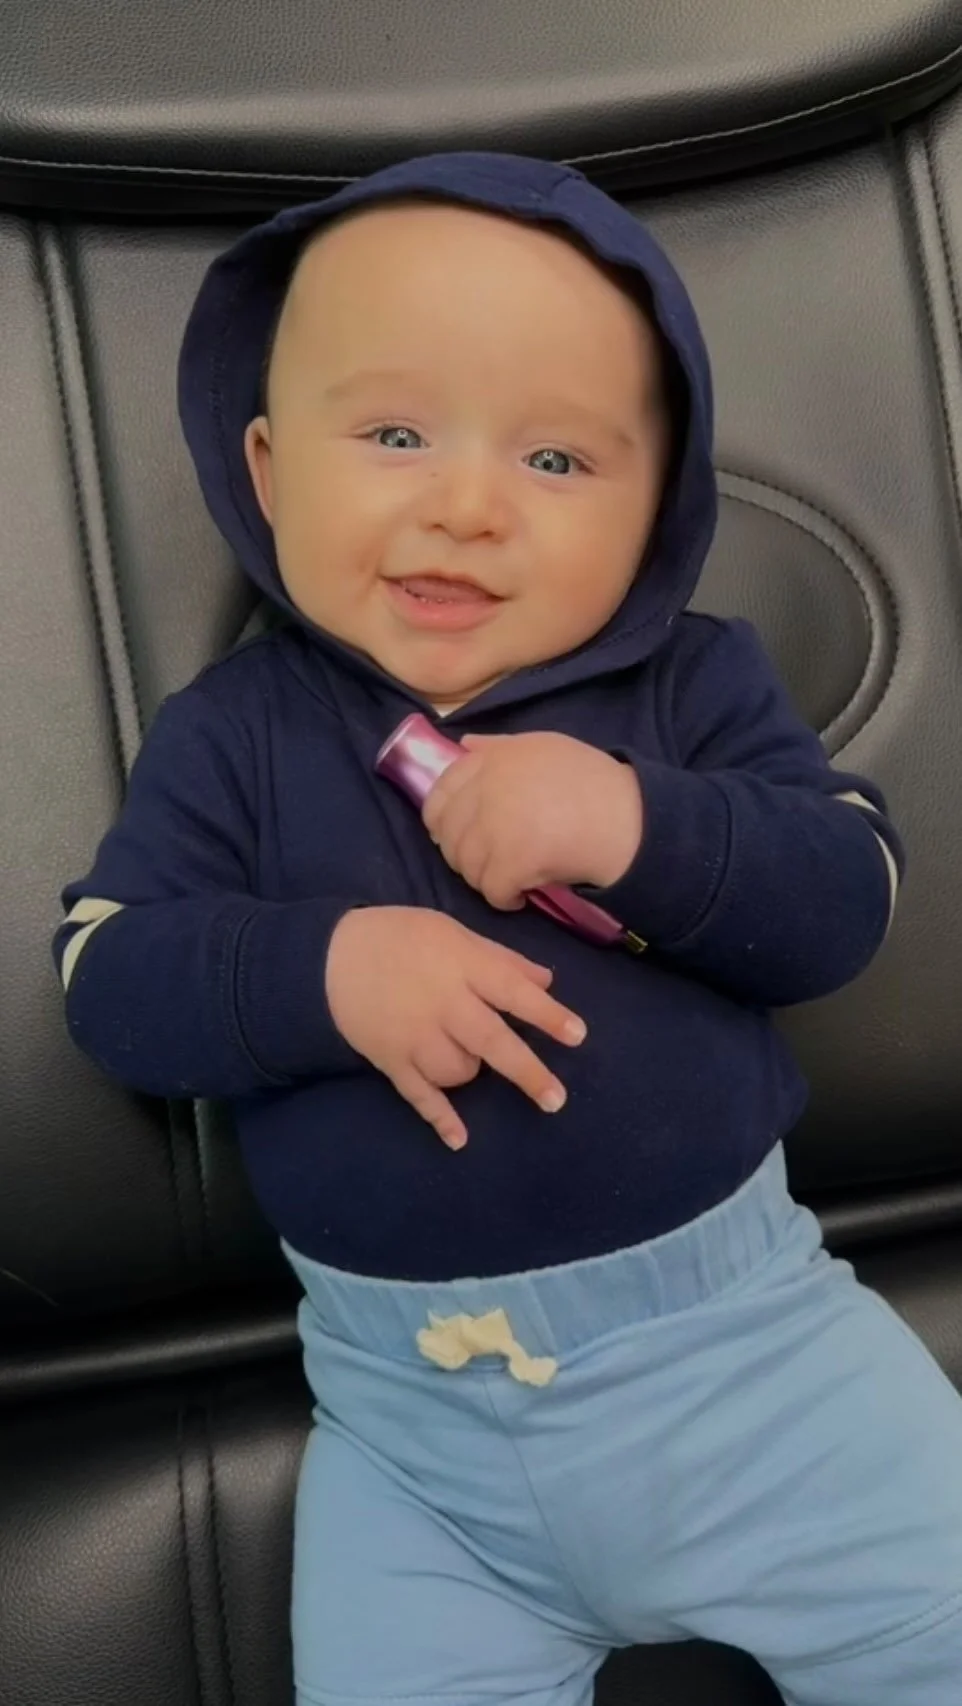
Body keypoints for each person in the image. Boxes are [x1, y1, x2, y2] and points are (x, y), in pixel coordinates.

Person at [53, 151, 962, 1703]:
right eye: (394, 434)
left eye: (553, 459)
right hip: (417, 1454)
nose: (466, 506)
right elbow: (104, 976)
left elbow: (847, 894)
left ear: (655, 505)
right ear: (270, 470)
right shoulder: (235, 734)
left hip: (759, 1376)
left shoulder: (690, 685)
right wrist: (320, 970)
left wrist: (636, 825)